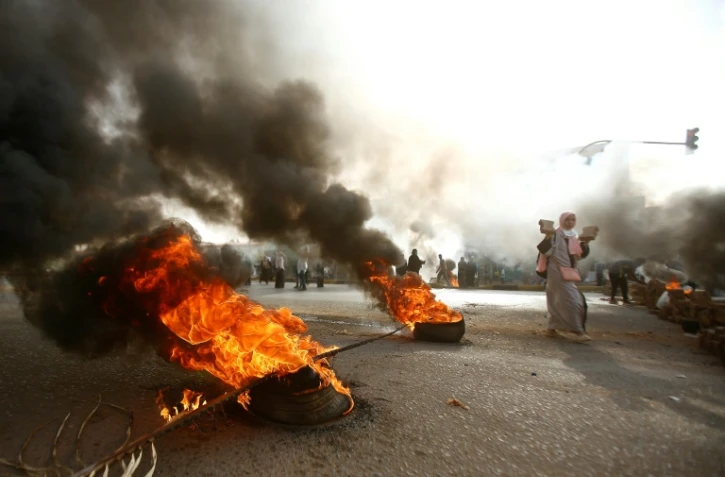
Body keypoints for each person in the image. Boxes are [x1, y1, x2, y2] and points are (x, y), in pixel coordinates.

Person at [536, 211, 593, 342]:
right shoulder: (555, 234)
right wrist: (548, 236)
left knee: (556, 299)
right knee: (572, 301)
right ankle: (578, 331)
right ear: (561, 221)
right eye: (567, 220)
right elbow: (544, 249)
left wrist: (586, 242)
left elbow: (579, 255)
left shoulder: (574, 236)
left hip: (567, 271)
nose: (570, 222)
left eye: (573, 220)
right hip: (556, 271)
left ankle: (552, 329)